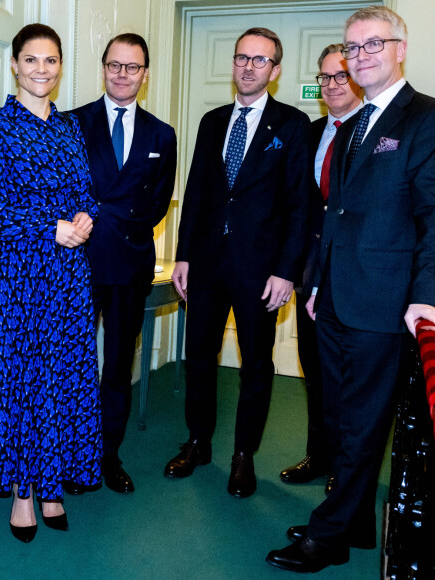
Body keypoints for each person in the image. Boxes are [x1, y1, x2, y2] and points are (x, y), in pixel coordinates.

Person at [267, 6, 435, 573]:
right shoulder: (354, 123)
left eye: (372, 45)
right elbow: (332, 214)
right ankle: (357, 521)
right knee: (340, 420)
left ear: (399, 49)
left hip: (385, 304)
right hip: (334, 297)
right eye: (352, 47)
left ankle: (329, 536)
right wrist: (315, 282)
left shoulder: (425, 120)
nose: (360, 56)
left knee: (362, 425)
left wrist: (426, 294)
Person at [0, 24, 102, 543]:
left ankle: (52, 486)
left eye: (52, 60)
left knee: (61, 381)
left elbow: (84, 191)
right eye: (32, 59)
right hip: (18, 278)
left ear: (60, 67)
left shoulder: (69, 129)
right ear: (15, 65)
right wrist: (50, 228)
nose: (42, 69)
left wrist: (85, 220)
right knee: (21, 382)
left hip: (67, 278)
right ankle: (22, 491)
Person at [164, 27, 311, 498]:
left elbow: (300, 205)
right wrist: (182, 255)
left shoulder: (291, 125)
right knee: (200, 360)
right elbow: (198, 193)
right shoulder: (211, 121)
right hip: (205, 267)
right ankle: (198, 442)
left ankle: (243, 454)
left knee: (255, 368)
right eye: (242, 58)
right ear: (233, 63)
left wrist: (287, 270)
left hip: (260, 272)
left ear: (275, 70)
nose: (248, 67)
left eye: (260, 60)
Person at [70, 34, 177, 494]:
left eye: (132, 67)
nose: (122, 74)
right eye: (114, 65)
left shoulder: (161, 133)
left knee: (116, 365)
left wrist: (112, 219)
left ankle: (107, 455)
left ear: (145, 74)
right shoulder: (72, 123)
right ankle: (72, 453)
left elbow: (157, 205)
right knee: (72, 362)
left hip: (131, 264)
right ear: (104, 68)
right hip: (75, 262)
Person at [279, 44, 362, 492]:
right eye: (325, 77)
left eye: (341, 76)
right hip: (311, 276)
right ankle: (318, 455)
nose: (332, 85)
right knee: (314, 370)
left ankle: (345, 471)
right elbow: (298, 206)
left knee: (349, 382)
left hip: (356, 281)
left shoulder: (373, 132)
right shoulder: (310, 133)